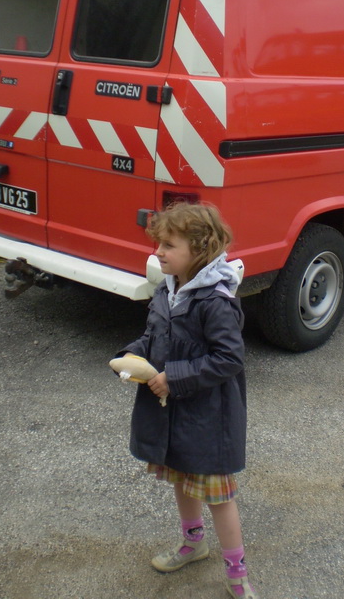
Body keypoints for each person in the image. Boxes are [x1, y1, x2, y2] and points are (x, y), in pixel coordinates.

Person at [116, 202, 257, 599]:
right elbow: (153, 336)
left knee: (217, 495)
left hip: (208, 417)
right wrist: (132, 354)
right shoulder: (166, 290)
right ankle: (194, 543)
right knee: (180, 475)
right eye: (158, 242)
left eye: (169, 244)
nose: (158, 251)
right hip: (171, 414)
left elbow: (229, 358)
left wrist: (173, 379)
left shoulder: (215, 300)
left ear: (199, 249)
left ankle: (237, 575)